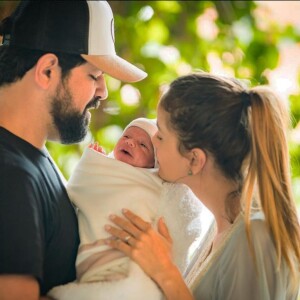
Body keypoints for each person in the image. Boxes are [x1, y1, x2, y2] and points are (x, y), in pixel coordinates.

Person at [104, 72, 300, 299]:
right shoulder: (222, 225)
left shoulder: (256, 236)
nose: (153, 140)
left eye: (162, 134)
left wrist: (166, 273)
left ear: (195, 160)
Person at [0, 1, 147, 299]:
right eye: (94, 75)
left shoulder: (30, 155)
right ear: (48, 70)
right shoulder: (11, 176)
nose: (103, 92)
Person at [48, 117, 203, 300]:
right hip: (95, 257)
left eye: (142, 145)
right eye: (127, 136)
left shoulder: (154, 183)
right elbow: (78, 190)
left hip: (132, 262)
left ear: (154, 164)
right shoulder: (104, 170)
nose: (130, 142)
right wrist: (92, 163)